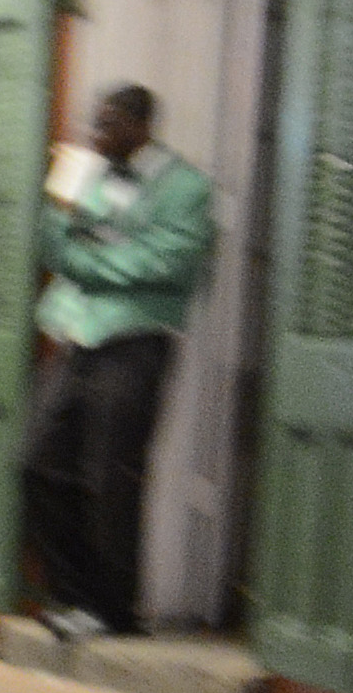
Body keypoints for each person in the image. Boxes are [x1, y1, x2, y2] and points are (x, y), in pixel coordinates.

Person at [28, 81, 218, 639]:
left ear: (141, 127)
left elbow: (165, 264)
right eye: (95, 123)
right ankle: (72, 596)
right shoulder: (84, 175)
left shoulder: (187, 187)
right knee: (36, 464)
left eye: (108, 125)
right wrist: (65, 210)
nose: (96, 136)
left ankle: (114, 610)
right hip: (74, 335)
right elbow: (50, 243)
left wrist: (86, 260)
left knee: (110, 476)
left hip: (135, 342)